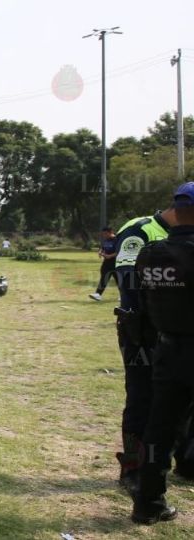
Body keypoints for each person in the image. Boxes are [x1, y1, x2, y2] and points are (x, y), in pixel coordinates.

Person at [130, 182, 194, 524]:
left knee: (159, 428)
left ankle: (147, 503)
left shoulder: (151, 253)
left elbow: (142, 303)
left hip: (166, 350)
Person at [111, 203, 174, 493]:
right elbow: (128, 281)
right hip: (143, 332)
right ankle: (133, 468)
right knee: (141, 396)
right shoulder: (140, 230)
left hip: (177, 333)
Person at [89, 227, 118, 301]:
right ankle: (98, 294)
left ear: (111, 232)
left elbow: (119, 251)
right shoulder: (106, 240)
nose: (104, 235)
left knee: (119, 280)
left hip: (116, 263)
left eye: (106, 234)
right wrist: (100, 251)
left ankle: (124, 296)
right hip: (106, 262)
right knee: (104, 278)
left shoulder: (117, 240)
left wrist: (110, 256)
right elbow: (103, 247)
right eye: (103, 234)